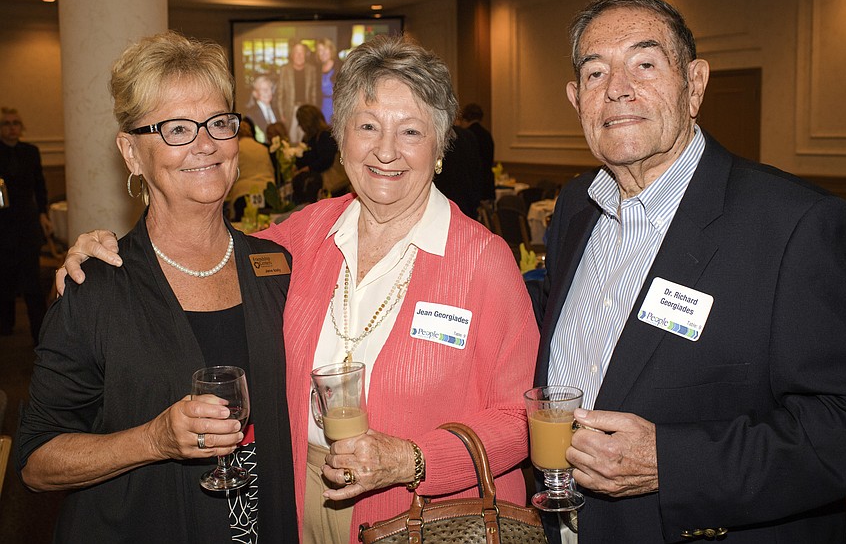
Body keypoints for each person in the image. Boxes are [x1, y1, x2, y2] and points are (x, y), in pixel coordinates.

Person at [58, 34, 539, 544]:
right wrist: (100, 250)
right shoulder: (304, 235)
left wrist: (411, 459)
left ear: (440, 146)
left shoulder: (483, 260)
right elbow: (205, 251)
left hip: (426, 513)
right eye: (368, 126)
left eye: (412, 131)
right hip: (299, 499)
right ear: (342, 138)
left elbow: (521, 416)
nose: (386, 151)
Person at [531, 0, 846, 543]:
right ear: (575, 98)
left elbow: (839, 427)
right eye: (595, 73)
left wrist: (673, 463)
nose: (618, 89)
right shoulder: (575, 208)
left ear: (695, 85)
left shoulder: (795, 225)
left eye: (645, 64)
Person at [16, 31, 298, 543]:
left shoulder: (275, 269)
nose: (206, 144)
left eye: (218, 122)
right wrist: (154, 439)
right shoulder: (96, 287)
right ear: (131, 153)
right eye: (176, 129)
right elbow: (36, 462)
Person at [0, 107, 51, 344]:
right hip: (2, 224)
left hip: (27, 222)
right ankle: (5, 325)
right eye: (6, 123)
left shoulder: (31, 152)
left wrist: (43, 213)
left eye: (15, 123)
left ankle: (39, 333)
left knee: (32, 279)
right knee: (4, 276)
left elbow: (40, 186)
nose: (11, 127)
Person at [294, 103, 349, 196]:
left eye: (301, 121)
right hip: (316, 186)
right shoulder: (308, 138)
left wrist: (308, 168)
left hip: (331, 188)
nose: (299, 125)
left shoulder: (324, 135)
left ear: (308, 121)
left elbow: (326, 159)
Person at [228, 118, 276, 220]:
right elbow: (271, 171)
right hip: (266, 193)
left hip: (243, 195)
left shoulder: (236, 149)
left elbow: (230, 174)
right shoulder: (263, 148)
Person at [432, 123, 482, 218]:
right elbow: (477, 172)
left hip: (445, 202)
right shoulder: (468, 135)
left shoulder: (439, 136)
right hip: (466, 200)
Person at [276, 41, 318, 143]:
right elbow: (280, 93)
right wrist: (281, 114)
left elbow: (314, 93)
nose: (299, 55)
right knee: (291, 139)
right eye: (296, 52)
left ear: (305, 55)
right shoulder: (285, 69)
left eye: (301, 52)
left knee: (305, 139)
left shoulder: (311, 70)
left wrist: (313, 112)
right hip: (290, 109)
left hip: (306, 109)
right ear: (292, 55)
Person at [459, 103, 496, 202]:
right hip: (488, 183)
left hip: (474, 186)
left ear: (465, 118)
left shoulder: (466, 136)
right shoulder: (487, 134)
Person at [244, 74, 282, 143]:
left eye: (270, 89)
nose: (268, 92)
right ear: (255, 93)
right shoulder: (250, 114)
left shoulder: (276, 110)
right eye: (264, 90)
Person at [316, 38, 338, 124]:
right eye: (320, 50)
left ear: (331, 50)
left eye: (325, 49)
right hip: (321, 107)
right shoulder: (316, 70)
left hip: (336, 108)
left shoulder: (340, 67)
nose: (323, 53)